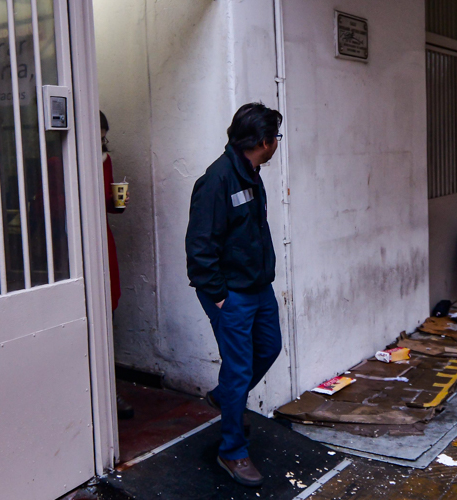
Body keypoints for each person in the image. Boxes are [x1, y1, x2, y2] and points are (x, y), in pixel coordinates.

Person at [185, 103, 284, 487]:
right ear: (263, 141)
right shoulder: (217, 180)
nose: (276, 144)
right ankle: (232, 450)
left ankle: (225, 395)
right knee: (240, 368)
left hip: (259, 288)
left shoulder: (251, 173)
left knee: (269, 349)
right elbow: (199, 246)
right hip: (232, 295)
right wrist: (219, 296)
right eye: (275, 138)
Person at [101, 111, 133, 420]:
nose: (100, 142)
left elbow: (109, 205)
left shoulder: (103, 158)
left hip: (99, 235)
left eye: (103, 137)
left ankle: (110, 388)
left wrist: (117, 201)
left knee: (108, 304)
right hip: (67, 240)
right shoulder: (58, 158)